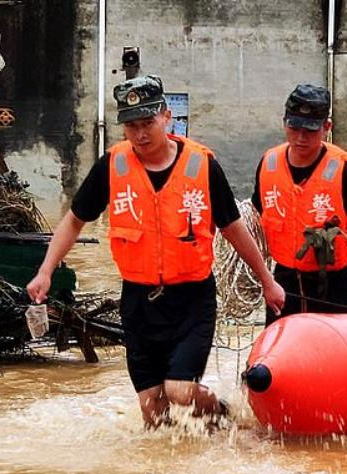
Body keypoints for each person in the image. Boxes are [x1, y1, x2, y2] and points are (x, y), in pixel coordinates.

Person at [26, 76, 284, 429]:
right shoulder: (112, 167)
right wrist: (46, 271)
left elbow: (233, 228)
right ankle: (182, 461)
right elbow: (73, 221)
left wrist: (267, 281)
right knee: (153, 412)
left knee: (179, 390)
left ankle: (225, 417)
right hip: (138, 302)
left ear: (167, 117)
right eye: (132, 126)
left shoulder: (202, 166)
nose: (141, 134)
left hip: (192, 299)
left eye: (148, 123)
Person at [253, 84, 347, 320]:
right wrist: (263, 278)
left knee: (341, 352)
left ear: (327, 127)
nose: (301, 137)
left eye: (310, 130)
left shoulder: (344, 171)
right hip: (283, 282)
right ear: (284, 122)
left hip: (333, 285)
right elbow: (252, 221)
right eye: (294, 128)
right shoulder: (268, 164)